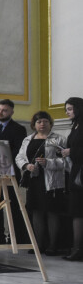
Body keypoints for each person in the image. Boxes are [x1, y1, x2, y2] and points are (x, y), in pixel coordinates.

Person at [15, 111, 67, 255]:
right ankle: (38, 244)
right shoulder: (27, 139)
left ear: (50, 123)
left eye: (45, 121)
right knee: (36, 211)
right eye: (39, 122)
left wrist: (48, 163)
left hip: (52, 181)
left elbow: (66, 162)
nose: (42, 124)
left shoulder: (59, 139)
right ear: (34, 124)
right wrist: (26, 166)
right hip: (34, 179)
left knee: (52, 212)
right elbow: (19, 157)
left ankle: (52, 245)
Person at [0, 99, 28, 245]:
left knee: (13, 205)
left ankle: (16, 237)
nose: (0, 113)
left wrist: (0, 158)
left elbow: (18, 150)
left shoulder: (19, 129)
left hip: (10, 173)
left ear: (12, 112)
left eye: (4, 110)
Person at [62, 97, 83, 261]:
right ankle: (76, 247)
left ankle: (78, 249)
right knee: (76, 211)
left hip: (80, 173)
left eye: (70, 109)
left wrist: (71, 151)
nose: (67, 112)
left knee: (78, 212)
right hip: (76, 171)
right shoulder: (76, 125)